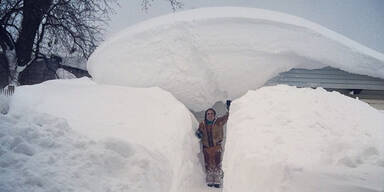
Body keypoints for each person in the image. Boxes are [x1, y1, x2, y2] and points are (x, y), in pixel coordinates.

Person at [195, 100, 231, 188]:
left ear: (214, 115)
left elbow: (227, 117)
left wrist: (229, 109)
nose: (210, 115)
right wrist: (198, 133)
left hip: (217, 147)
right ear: (206, 115)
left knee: (217, 163)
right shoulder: (202, 124)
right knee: (208, 164)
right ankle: (210, 180)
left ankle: (217, 180)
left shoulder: (218, 121)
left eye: (212, 114)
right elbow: (198, 132)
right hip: (206, 148)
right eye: (208, 114)